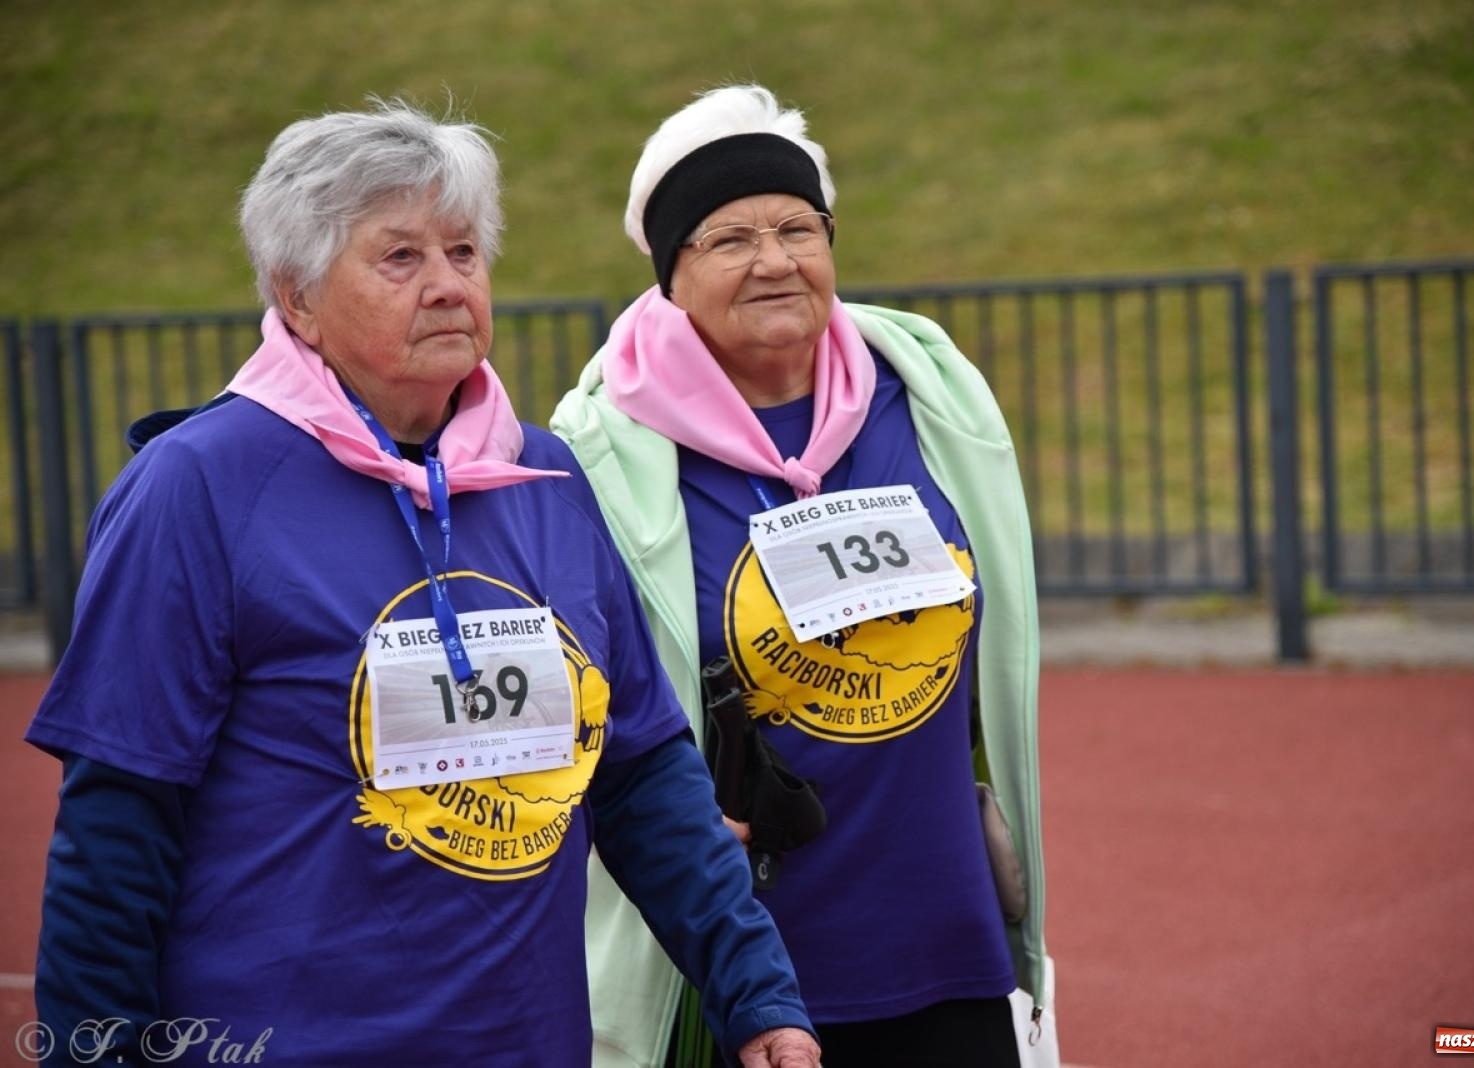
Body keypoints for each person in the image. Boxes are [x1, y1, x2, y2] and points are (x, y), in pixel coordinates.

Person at [25, 99, 820, 1068]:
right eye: (400, 258)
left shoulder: (546, 481)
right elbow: (117, 829)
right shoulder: (197, 489)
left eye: (463, 253)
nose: (447, 285)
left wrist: (755, 991)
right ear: (297, 295)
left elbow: (643, 773)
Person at [551, 84, 1054, 1068]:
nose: (775, 260)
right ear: (669, 274)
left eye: (798, 226)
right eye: (729, 237)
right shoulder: (603, 453)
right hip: (735, 977)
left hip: (946, 946)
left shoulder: (924, 394)